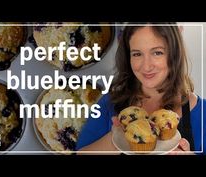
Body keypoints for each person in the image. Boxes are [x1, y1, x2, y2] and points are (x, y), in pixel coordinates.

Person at [76, 23, 206, 154]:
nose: (146, 66)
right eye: (137, 54)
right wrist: (116, 139)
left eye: (157, 52)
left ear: (174, 54)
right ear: (128, 57)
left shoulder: (202, 112)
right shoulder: (109, 102)